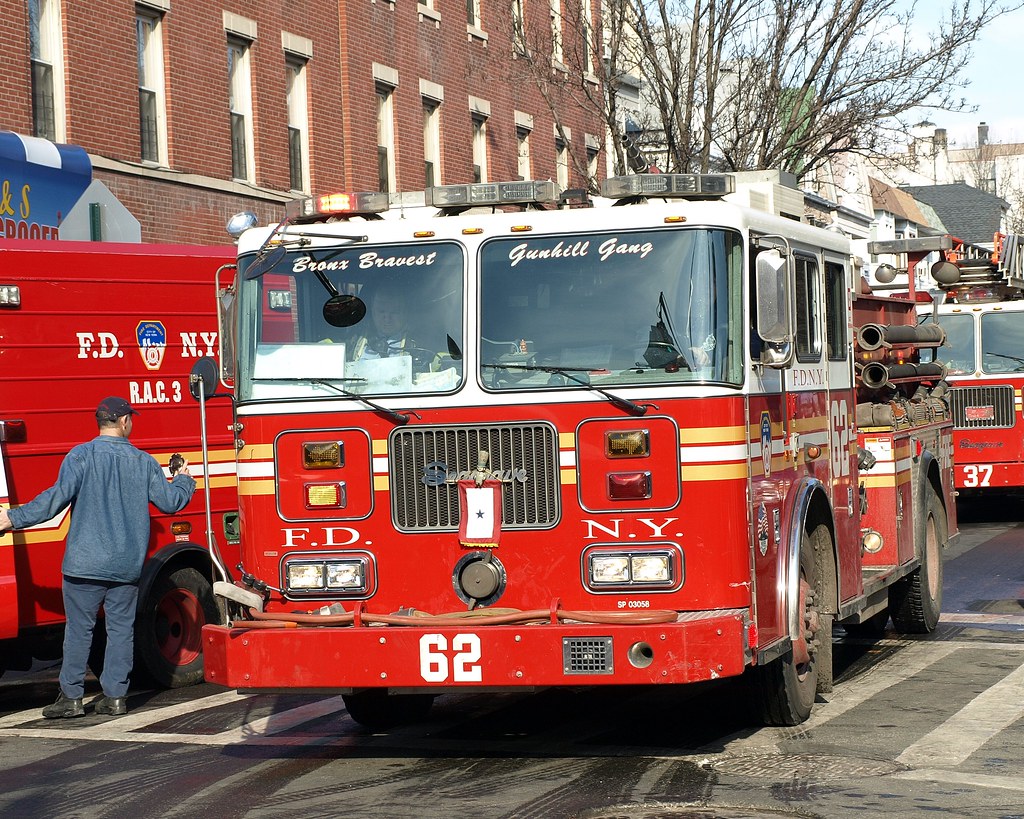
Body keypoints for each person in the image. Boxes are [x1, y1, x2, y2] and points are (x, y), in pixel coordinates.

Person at [0, 397, 196, 719]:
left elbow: (53, 501)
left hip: (84, 564)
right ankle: (115, 697)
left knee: (79, 631)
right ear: (122, 422)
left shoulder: (81, 456)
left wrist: (13, 518)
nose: (132, 423)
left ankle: (71, 699)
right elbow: (171, 503)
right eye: (131, 419)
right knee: (121, 631)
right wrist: (185, 479)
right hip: (126, 568)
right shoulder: (144, 462)